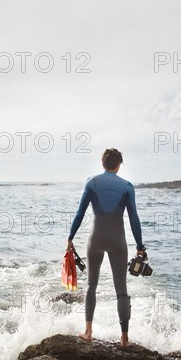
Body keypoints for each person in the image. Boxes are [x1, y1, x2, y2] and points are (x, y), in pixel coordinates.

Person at [66, 148, 146, 348]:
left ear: (103, 163)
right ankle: (125, 339)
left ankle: (88, 332)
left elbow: (79, 213)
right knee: (121, 290)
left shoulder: (91, 182)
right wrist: (140, 246)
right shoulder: (127, 186)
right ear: (118, 165)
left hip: (96, 239)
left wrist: (70, 237)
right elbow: (134, 219)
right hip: (118, 241)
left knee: (92, 284)